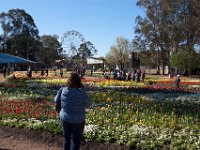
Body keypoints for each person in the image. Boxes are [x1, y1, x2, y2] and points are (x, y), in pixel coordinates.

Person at [54, 73, 90, 150]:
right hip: (78, 120)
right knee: (75, 141)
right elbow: (87, 105)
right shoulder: (82, 92)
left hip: (65, 118)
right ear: (79, 82)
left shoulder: (62, 90)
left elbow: (56, 100)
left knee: (66, 139)